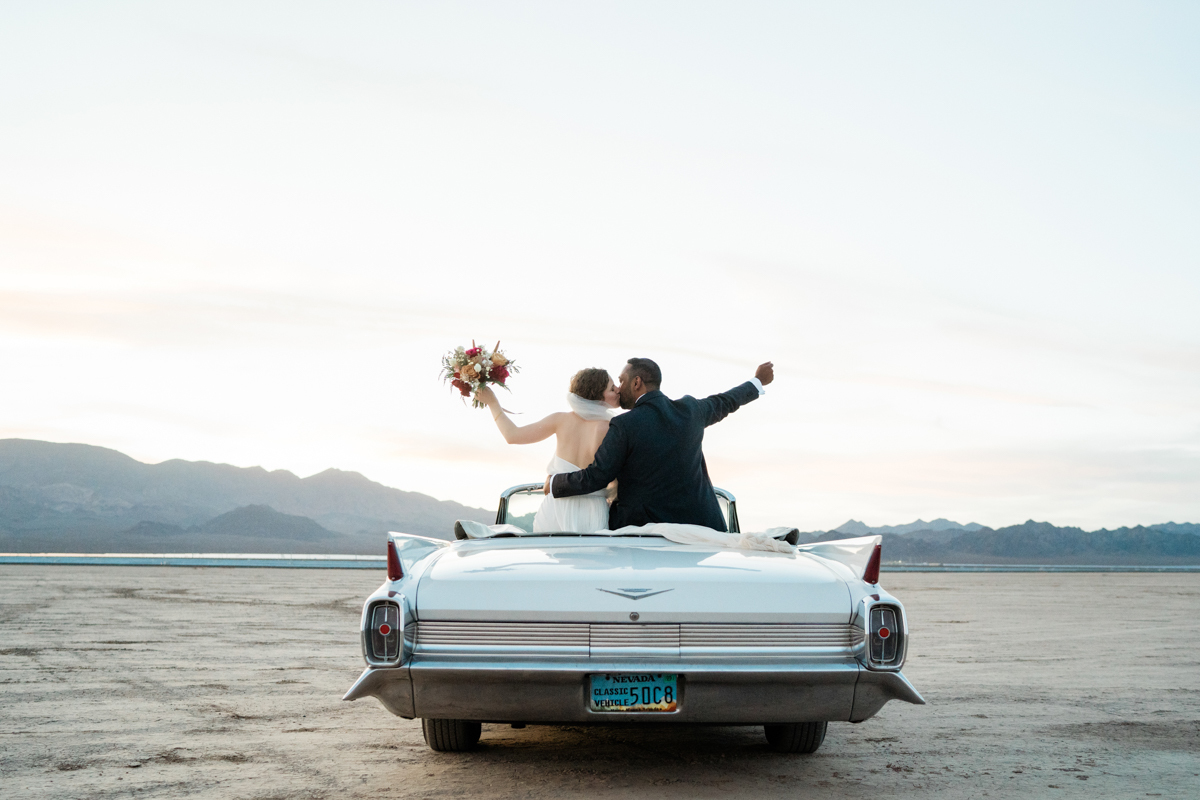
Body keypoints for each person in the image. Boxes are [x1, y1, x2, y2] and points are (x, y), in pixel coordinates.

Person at [546, 358, 773, 532]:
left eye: (622, 381)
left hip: (642, 532)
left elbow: (597, 476)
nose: (618, 388)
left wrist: (555, 482)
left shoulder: (623, 424)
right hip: (702, 528)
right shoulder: (691, 410)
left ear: (637, 383)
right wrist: (758, 381)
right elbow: (727, 401)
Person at [477, 368, 620, 533]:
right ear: (597, 395)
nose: (618, 389)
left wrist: (492, 403)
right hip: (592, 510)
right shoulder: (611, 428)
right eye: (612, 388)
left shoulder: (560, 420)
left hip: (555, 506)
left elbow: (512, 435)